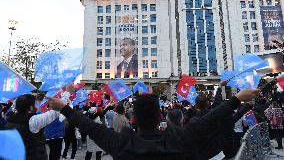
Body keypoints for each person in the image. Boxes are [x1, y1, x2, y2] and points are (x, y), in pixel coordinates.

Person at [48, 89, 259, 160]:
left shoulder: (121, 142)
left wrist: (64, 108)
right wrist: (237, 99)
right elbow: (209, 119)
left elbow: (89, 126)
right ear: (161, 116)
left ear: (135, 118)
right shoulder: (180, 137)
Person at [5, 94, 60, 160]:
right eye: (35, 104)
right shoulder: (33, 121)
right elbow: (57, 111)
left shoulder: (9, 120)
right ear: (31, 107)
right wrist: (67, 92)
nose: (37, 106)